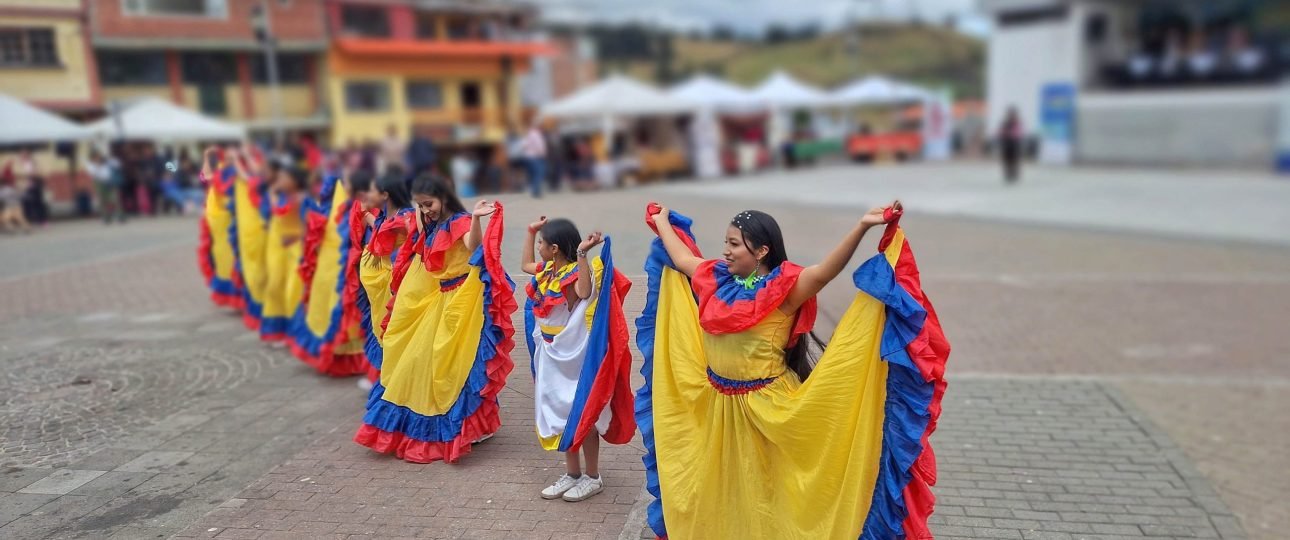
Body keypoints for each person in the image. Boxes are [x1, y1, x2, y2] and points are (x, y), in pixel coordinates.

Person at [636, 202, 949, 539]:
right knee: (723, 488)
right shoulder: (715, 280)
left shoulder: (782, 291)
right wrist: (662, 221)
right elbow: (682, 259)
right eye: (725, 242)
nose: (725, 251)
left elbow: (825, 271)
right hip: (718, 408)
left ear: (761, 251)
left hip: (767, 411)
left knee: (768, 493)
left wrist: (862, 226)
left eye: (734, 244)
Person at [354, 175, 515, 464]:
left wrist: (477, 218)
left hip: (464, 297)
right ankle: (475, 426)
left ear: (444, 196)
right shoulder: (430, 222)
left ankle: (472, 427)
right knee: (432, 361)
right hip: (442, 297)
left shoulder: (461, 221)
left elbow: (472, 245)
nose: (425, 210)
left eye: (428, 203)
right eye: (420, 205)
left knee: (459, 363)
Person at [521, 217, 635, 502]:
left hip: (572, 357)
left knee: (582, 413)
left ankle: (592, 476)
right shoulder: (547, 270)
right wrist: (530, 231)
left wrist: (583, 254)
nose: (538, 248)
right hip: (549, 353)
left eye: (541, 243)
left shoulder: (573, 274)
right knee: (559, 414)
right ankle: (572, 474)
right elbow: (525, 266)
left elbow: (584, 292)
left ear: (555, 248)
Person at [287, 166, 369, 376]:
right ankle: (338, 355)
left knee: (343, 310)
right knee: (329, 306)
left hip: (347, 268)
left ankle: (352, 358)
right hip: (331, 267)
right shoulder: (332, 203)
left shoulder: (361, 206)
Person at [351, 170, 414, 390]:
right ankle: (389, 380)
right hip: (378, 292)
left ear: (386, 194)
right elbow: (379, 231)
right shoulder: (386, 216)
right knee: (382, 333)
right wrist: (366, 213)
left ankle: (399, 384)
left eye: (372, 190)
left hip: (394, 291)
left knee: (394, 335)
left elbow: (413, 243)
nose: (368, 193)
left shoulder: (405, 218)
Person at [258, 166, 309, 342]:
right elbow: (275, 209)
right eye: (278, 178)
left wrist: (297, 236)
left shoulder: (303, 199)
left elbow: (313, 225)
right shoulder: (282, 198)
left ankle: (296, 333)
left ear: (295, 180)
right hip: (279, 249)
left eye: (283, 178)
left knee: (293, 290)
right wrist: (273, 190)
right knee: (274, 285)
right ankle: (277, 330)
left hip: (298, 249)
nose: (279, 181)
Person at [227, 146, 272, 331]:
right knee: (252, 263)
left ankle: (264, 307)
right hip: (249, 227)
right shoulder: (245, 177)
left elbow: (254, 176)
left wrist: (240, 158)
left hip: (259, 226)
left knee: (261, 265)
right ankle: (259, 304)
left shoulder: (259, 179)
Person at [198, 146, 244, 309]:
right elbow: (204, 178)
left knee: (234, 259)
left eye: (234, 158)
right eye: (228, 158)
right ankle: (229, 295)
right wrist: (206, 157)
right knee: (221, 257)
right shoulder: (220, 172)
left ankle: (240, 296)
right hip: (216, 221)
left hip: (233, 220)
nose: (230, 162)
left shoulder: (241, 174)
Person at [86, 150, 124, 225]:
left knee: (114, 199)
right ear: (92, 158)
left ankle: (120, 216)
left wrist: (110, 159)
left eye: (99, 156)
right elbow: (92, 173)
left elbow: (118, 164)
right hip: (99, 183)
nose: (98, 158)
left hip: (110, 181)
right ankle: (106, 217)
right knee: (102, 201)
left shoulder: (107, 161)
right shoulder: (90, 165)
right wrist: (97, 165)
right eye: (96, 157)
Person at [521, 122, 548, 198]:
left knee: (533, 175)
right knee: (539, 173)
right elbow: (539, 146)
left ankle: (534, 190)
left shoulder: (528, 135)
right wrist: (542, 154)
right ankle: (536, 191)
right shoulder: (536, 134)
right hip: (536, 157)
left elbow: (523, 145)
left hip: (528, 157)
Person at [999, 106, 1023, 184]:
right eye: (1010, 113)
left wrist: (1008, 133)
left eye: (1012, 113)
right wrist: (1004, 134)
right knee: (1007, 160)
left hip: (1014, 144)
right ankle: (1008, 175)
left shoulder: (1017, 123)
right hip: (1006, 144)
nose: (1011, 115)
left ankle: (1014, 174)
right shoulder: (1005, 123)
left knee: (1014, 160)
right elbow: (1001, 133)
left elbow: (1017, 134)